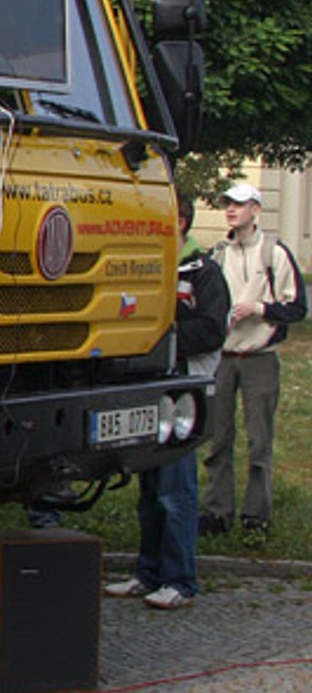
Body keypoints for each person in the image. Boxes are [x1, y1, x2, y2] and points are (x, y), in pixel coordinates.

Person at [106, 198, 228, 609]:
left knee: (176, 490)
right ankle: (148, 573)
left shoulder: (203, 273)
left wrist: (163, 338)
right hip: (150, 387)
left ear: (180, 223)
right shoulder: (151, 267)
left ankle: (180, 580)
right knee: (151, 489)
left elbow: (212, 330)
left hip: (183, 392)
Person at [203, 181, 305, 537]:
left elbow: (297, 308)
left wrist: (258, 308)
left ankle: (256, 515)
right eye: (227, 204)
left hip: (259, 356)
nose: (231, 210)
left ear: (255, 210)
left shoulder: (274, 253)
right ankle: (217, 511)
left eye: (239, 204)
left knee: (259, 439)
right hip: (222, 356)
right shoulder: (218, 255)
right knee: (217, 437)